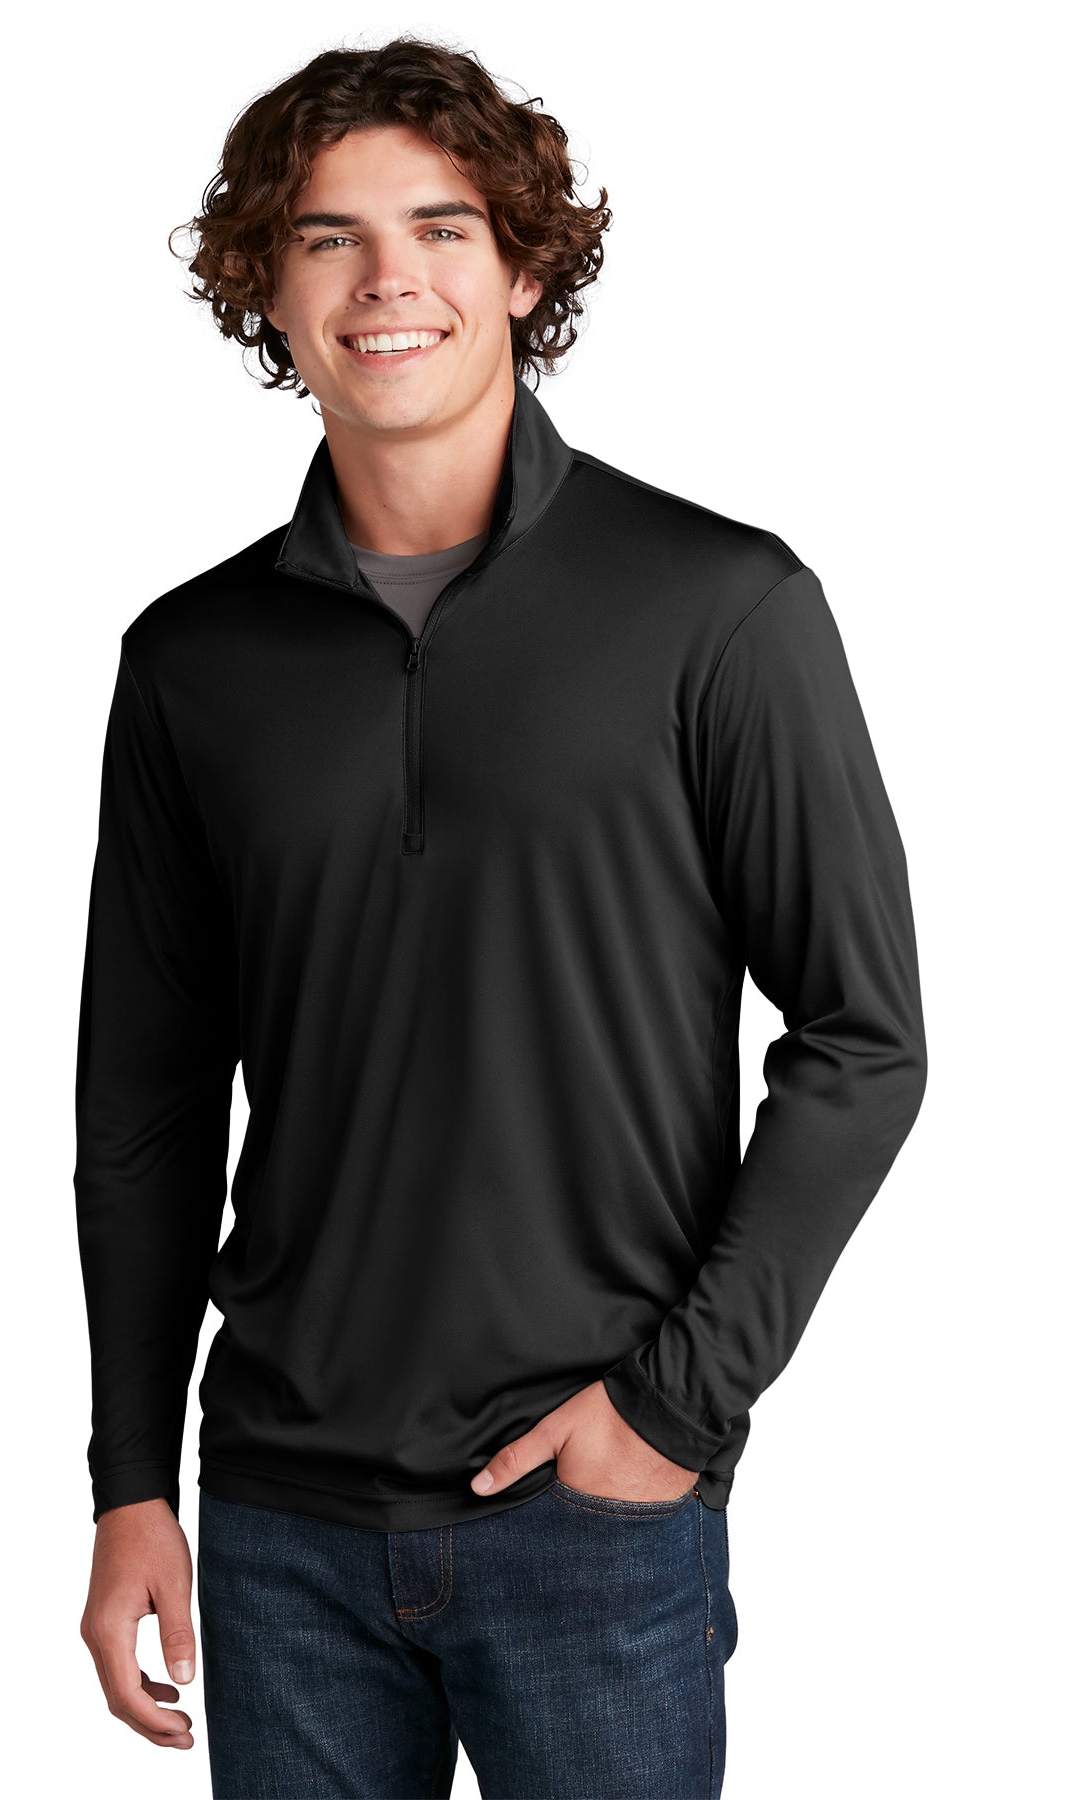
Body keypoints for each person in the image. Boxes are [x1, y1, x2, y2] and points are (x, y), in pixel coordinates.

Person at [75, 35, 927, 1800]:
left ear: (526, 270)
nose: (388, 279)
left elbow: (864, 1037)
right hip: (281, 1530)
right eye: (329, 238)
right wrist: (131, 1479)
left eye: (442, 230)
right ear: (269, 293)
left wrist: (676, 1406)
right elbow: (143, 1104)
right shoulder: (191, 663)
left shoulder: (720, 607)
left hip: (592, 1516)